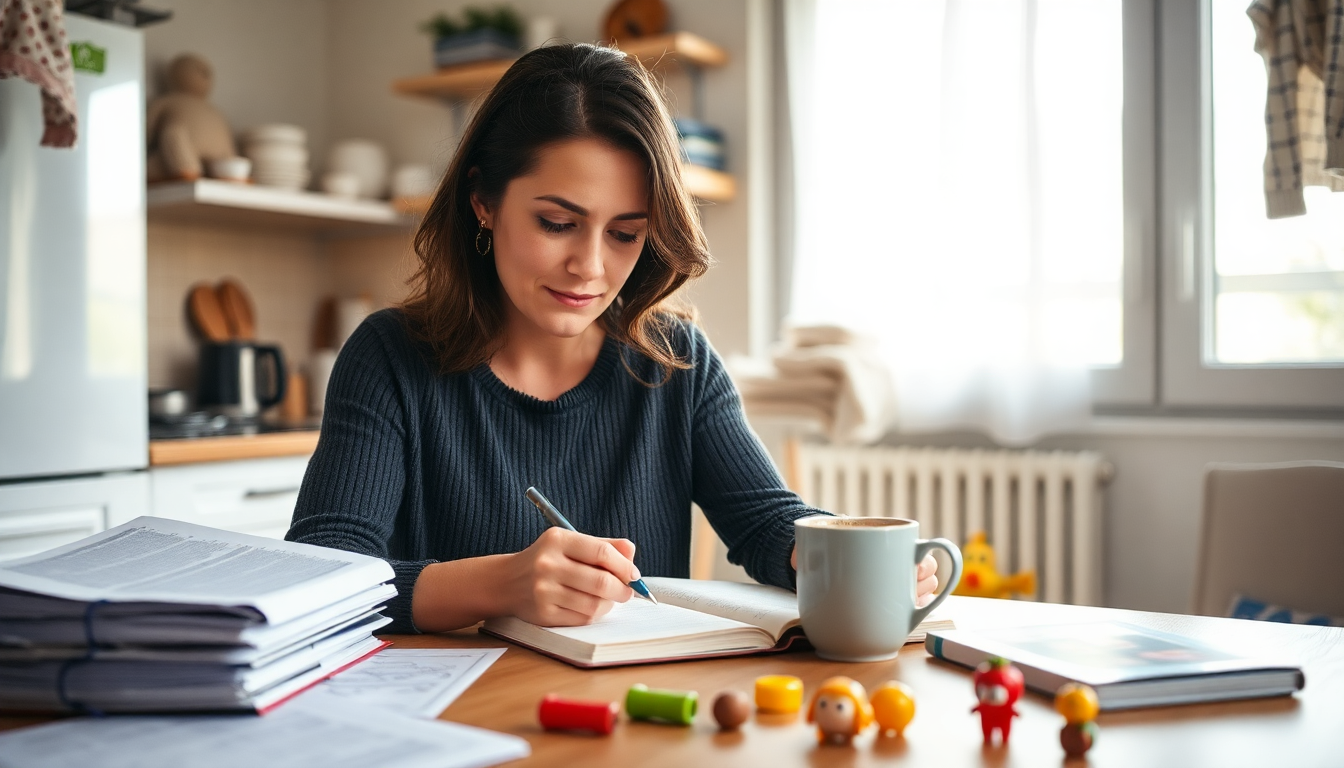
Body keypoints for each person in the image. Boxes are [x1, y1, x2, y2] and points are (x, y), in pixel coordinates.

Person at [286, 43, 938, 634]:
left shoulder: (676, 363)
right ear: (483, 199)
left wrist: (833, 552)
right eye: (557, 222)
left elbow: (767, 523)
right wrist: (501, 584)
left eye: (625, 233)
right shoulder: (391, 356)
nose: (591, 267)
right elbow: (323, 576)